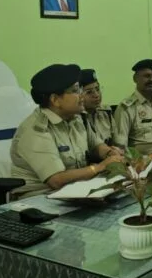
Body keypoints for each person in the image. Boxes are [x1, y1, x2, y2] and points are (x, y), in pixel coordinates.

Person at [10, 64, 123, 200]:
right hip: (39, 198)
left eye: (80, 88)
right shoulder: (36, 130)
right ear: (55, 100)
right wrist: (99, 167)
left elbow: (95, 144)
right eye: (75, 90)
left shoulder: (76, 118)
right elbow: (56, 180)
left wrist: (109, 153)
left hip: (74, 191)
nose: (81, 95)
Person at [78, 68, 116, 147]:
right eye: (89, 92)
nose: (96, 95)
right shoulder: (76, 118)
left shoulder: (106, 113)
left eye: (97, 89)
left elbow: (117, 142)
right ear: (78, 95)